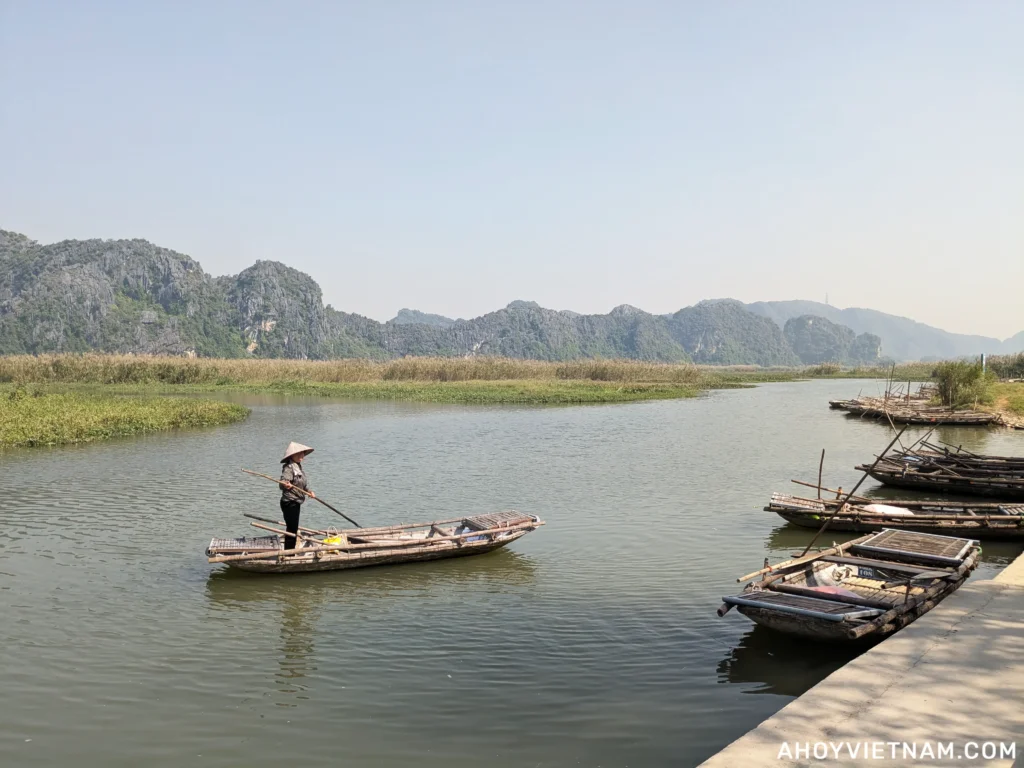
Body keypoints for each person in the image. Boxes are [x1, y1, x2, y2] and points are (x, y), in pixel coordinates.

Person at [279, 442, 315, 550]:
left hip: (296, 502)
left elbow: (301, 485)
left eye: (302, 454)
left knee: (293, 528)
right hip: (289, 503)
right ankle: (289, 553)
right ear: (292, 456)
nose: (301, 456)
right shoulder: (289, 468)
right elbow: (282, 483)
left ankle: (290, 550)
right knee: (291, 530)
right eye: (298, 454)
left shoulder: (298, 467)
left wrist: (309, 491)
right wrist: (285, 484)